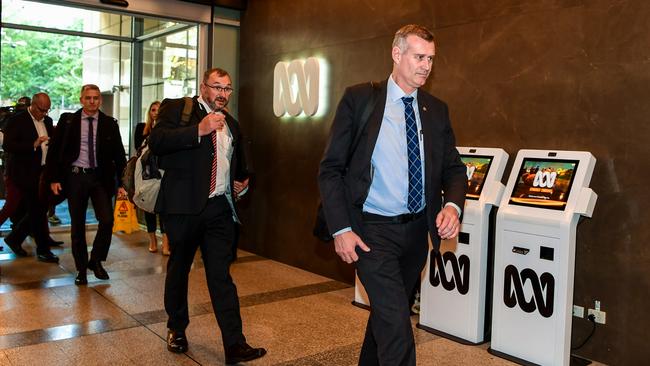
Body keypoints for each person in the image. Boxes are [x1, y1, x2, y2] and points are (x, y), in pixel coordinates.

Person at [318, 24, 467, 365]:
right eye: (418, 57)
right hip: (371, 232)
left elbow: (454, 169)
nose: (426, 66)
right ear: (397, 55)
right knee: (398, 325)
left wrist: (453, 207)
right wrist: (341, 228)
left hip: (416, 233)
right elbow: (331, 169)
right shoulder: (360, 100)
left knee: (388, 316)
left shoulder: (436, 109)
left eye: (431, 58)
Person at [149, 67, 265, 364]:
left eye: (227, 89)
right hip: (183, 207)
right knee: (179, 268)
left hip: (218, 210)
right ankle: (176, 328)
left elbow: (234, 163)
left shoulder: (232, 125)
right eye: (217, 87)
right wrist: (198, 130)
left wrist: (241, 181)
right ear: (203, 87)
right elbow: (158, 141)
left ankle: (234, 344)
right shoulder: (177, 108)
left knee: (220, 276)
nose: (222, 94)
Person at [45, 84, 127, 285]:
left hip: (100, 179)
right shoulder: (68, 121)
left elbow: (118, 155)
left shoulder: (109, 123)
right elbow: (54, 151)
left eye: (96, 98)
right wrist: (53, 179)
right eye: (88, 98)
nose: (92, 101)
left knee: (107, 220)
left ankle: (96, 260)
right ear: (81, 99)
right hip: (75, 178)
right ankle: (81, 269)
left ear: (100, 100)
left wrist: (123, 183)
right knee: (78, 226)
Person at [1, 92, 59, 263]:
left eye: (47, 110)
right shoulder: (18, 120)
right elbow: (8, 145)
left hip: (42, 172)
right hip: (23, 173)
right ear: (33, 105)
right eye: (42, 110)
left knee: (39, 209)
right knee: (37, 210)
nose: (45, 114)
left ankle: (14, 238)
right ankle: (43, 249)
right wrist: (32, 145)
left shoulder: (47, 121)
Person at [133, 101, 169, 255]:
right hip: (146, 174)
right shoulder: (142, 129)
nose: (156, 112)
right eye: (153, 109)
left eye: (159, 110)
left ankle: (166, 244)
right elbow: (138, 151)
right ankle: (153, 240)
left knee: (164, 208)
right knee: (149, 207)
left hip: (163, 172)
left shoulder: (168, 129)